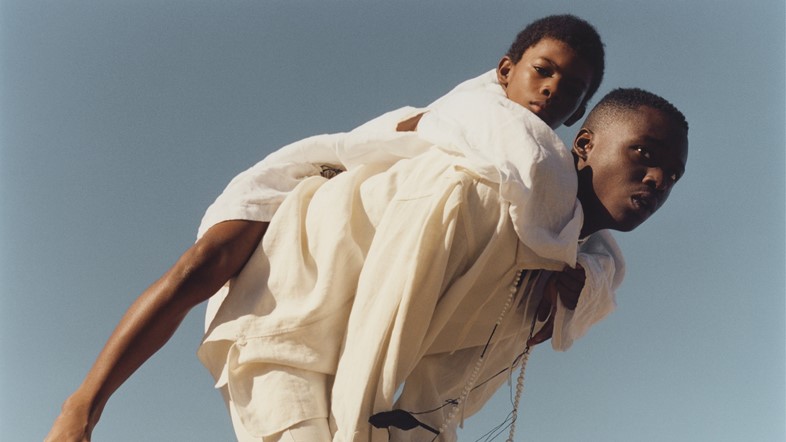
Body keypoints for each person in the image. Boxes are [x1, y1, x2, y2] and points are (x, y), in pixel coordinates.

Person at [45, 15, 685, 442]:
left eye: (568, 88)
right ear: (506, 69)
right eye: (644, 156)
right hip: (296, 245)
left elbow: (454, 373)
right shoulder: (496, 146)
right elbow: (484, 169)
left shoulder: (575, 259)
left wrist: (570, 268)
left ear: (575, 112)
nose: (657, 182)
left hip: (349, 339)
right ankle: (84, 404)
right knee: (203, 264)